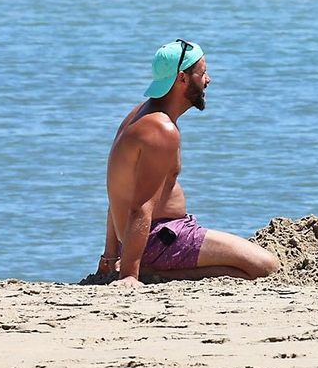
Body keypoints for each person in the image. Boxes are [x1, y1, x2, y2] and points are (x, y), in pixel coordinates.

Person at [99, 40, 281, 284]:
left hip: (149, 239)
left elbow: (117, 192)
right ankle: (154, 272)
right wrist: (129, 275)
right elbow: (140, 205)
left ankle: (147, 267)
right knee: (266, 266)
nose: (208, 80)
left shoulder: (139, 114)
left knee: (246, 262)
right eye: (203, 73)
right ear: (182, 79)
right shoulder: (161, 130)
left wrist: (110, 257)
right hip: (159, 240)